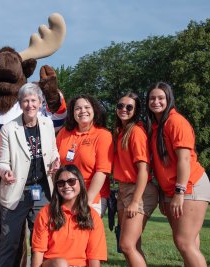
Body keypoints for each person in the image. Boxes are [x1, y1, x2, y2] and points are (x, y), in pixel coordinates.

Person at [0, 83, 60, 267]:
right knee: (9, 243)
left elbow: (54, 151)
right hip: (17, 191)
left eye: (33, 100)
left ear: (41, 103)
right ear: (20, 103)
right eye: (25, 101)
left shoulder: (48, 124)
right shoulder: (9, 128)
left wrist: (56, 161)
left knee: (42, 244)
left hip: (43, 192)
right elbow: (1, 162)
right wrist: (5, 172)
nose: (30, 105)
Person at [146, 82, 210, 267]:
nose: (156, 101)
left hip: (190, 186)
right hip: (172, 190)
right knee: (190, 242)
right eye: (152, 98)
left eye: (160, 98)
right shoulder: (157, 125)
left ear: (169, 99)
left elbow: (184, 160)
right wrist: (164, 195)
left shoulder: (175, 121)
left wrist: (179, 193)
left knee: (184, 242)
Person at [113, 92, 158, 266]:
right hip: (124, 189)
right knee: (133, 245)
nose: (123, 109)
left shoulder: (136, 132)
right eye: (120, 106)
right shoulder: (121, 131)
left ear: (136, 110)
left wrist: (135, 201)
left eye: (129, 107)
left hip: (140, 190)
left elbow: (143, 170)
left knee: (126, 245)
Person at [32, 164, 107, 267]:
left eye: (71, 181)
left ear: (80, 183)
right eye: (61, 183)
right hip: (54, 264)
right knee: (61, 264)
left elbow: (94, 259)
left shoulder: (93, 217)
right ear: (56, 187)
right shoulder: (45, 214)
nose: (66, 186)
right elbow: (38, 252)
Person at [56, 95, 113, 216]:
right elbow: (56, 164)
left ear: (94, 110)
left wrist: (86, 201)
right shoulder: (63, 133)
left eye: (87, 107)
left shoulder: (103, 135)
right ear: (72, 112)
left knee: (83, 232)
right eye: (78, 108)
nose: (83, 111)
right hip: (65, 195)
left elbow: (102, 171)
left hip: (91, 197)